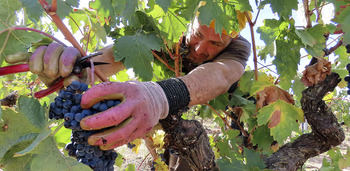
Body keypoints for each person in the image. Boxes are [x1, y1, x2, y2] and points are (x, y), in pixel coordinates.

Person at [6, 10, 251, 170]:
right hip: (174, 107)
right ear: (190, 21)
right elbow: (111, 56)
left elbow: (222, 74)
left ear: (231, 41)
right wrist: (75, 71)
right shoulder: (167, 35)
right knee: (163, 147)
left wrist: (160, 95)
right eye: (198, 35)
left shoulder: (239, 48)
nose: (199, 49)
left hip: (225, 103)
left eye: (215, 44)